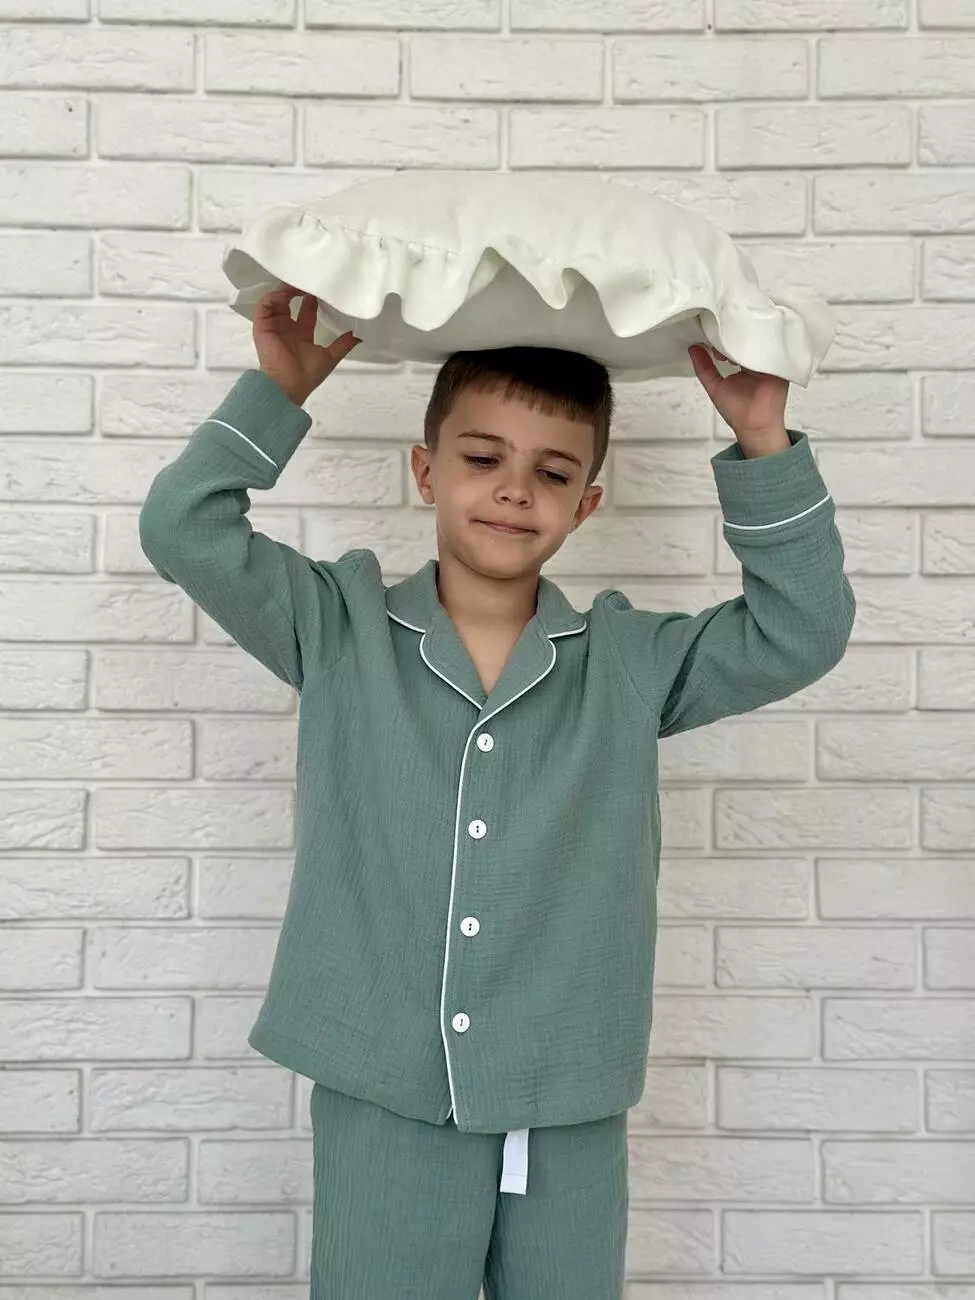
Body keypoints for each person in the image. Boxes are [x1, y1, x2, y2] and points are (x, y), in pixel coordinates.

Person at [139, 285, 856, 1299]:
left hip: (565, 1097)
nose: (514, 491)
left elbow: (802, 630)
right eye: (482, 459)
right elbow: (182, 527)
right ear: (426, 470)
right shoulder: (334, 624)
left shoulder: (628, 660)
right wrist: (278, 390)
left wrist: (763, 441)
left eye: (552, 472)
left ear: (585, 503)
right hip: (381, 1084)